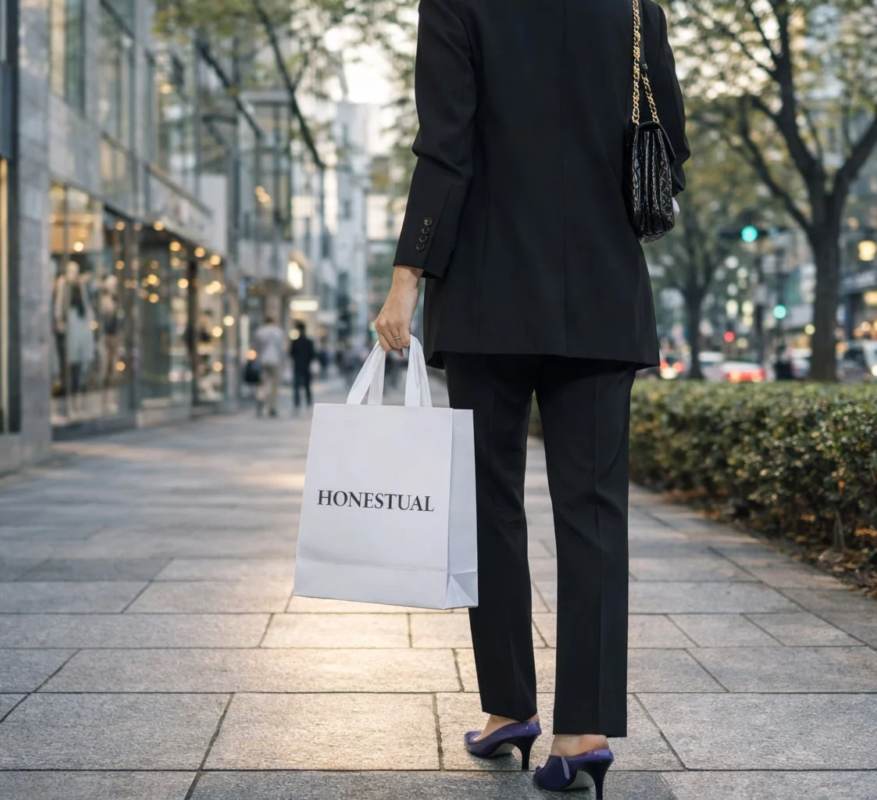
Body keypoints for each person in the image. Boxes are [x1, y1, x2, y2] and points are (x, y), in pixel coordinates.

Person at [373, 0, 689, 795]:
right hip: (602, 289)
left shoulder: (456, 4)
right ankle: (583, 729)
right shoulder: (631, 4)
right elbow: (671, 141)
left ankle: (507, 710)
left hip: (487, 293)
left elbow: (445, 147)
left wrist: (406, 278)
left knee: (490, 505)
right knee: (593, 509)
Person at [252, 316, 286, 417]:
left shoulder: (260, 332)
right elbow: (281, 348)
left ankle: (260, 400)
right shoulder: (278, 332)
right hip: (275, 361)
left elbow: (256, 347)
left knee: (262, 383)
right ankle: (272, 407)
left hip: (263, 360)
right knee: (274, 385)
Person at [289, 321, 317, 412]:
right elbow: (313, 354)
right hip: (307, 366)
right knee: (307, 387)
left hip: (297, 366)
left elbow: (291, 353)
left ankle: (297, 405)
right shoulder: (309, 342)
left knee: (296, 387)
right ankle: (308, 404)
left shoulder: (295, 342)